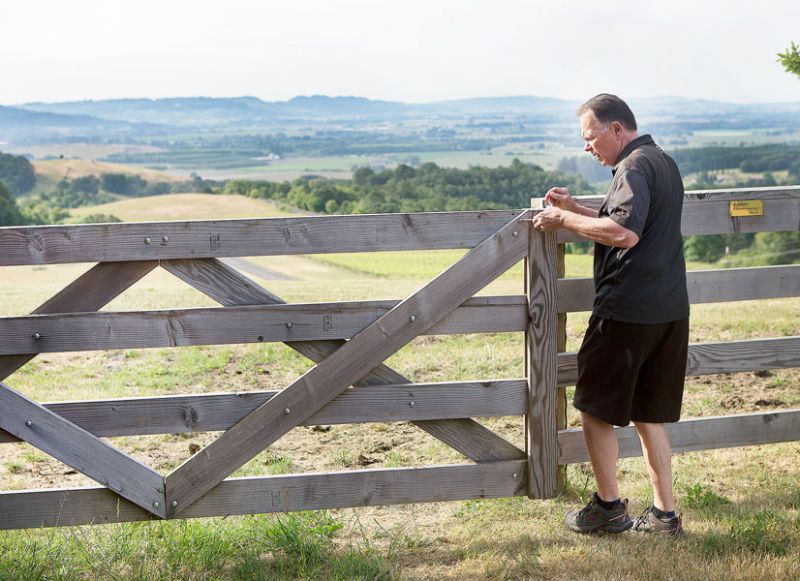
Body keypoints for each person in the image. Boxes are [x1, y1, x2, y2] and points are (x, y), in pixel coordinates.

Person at [531, 93, 689, 535]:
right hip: (669, 310)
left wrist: (559, 222)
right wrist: (577, 211)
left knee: (595, 408)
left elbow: (623, 233)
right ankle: (664, 516)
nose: (587, 147)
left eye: (590, 136)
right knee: (647, 411)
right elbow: (629, 221)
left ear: (616, 129)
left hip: (627, 310)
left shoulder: (633, 166)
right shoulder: (663, 161)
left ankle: (608, 507)